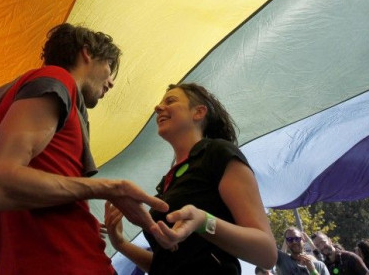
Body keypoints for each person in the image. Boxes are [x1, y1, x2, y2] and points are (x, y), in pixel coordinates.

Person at [0, 23, 168, 274]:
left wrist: (68, 213)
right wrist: (112, 188)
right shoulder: (56, 80)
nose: (111, 82)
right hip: (69, 262)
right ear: (87, 53)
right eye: (109, 67)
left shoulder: (9, 110)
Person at [105, 83, 277, 274]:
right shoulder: (166, 184)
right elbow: (168, 265)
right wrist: (120, 243)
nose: (157, 108)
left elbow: (267, 253)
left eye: (170, 100)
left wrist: (204, 222)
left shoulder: (218, 154)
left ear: (198, 113)